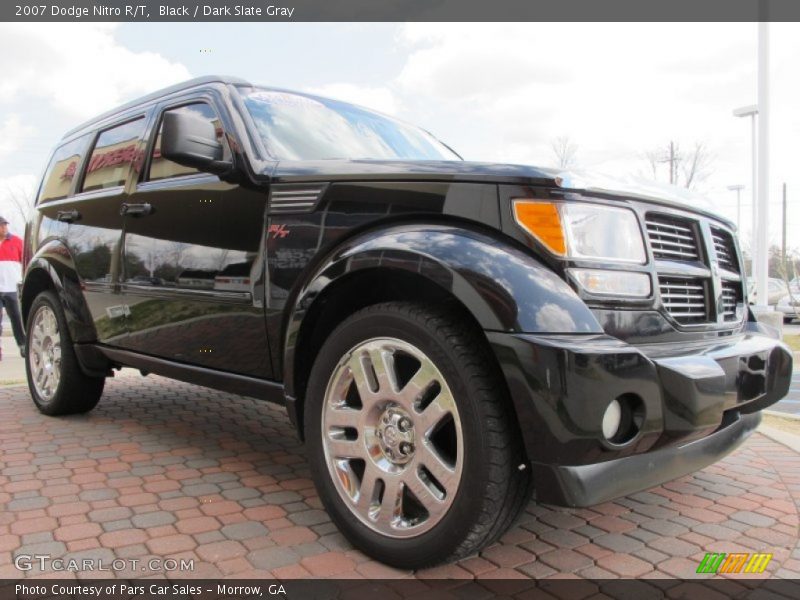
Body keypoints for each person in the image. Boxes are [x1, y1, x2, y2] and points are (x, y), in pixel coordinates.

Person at [0, 216, 26, 359]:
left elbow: (27, 261)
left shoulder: (17, 242)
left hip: (12, 288)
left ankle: (23, 346)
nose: (4, 228)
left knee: (16, 319)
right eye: (1, 225)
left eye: (5, 225)